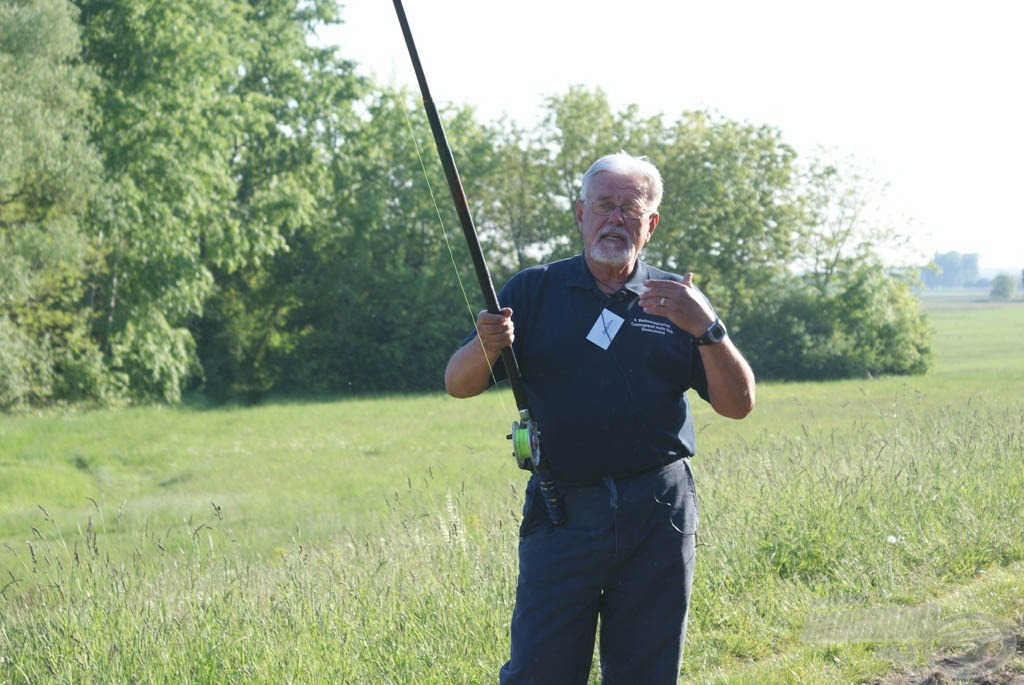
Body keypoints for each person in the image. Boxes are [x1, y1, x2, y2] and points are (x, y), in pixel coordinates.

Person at [444, 151, 756, 684]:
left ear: (650, 223)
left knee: (646, 670)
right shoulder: (533, 291)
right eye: (603, 205)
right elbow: (459, 382)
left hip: (658, 511)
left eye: (629, 209)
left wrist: (708, 328)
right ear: (579, 213)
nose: (615, 219)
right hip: (562, 508)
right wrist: (488, 343)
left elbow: (738, 404)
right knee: (541, 671)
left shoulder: (678, 300)